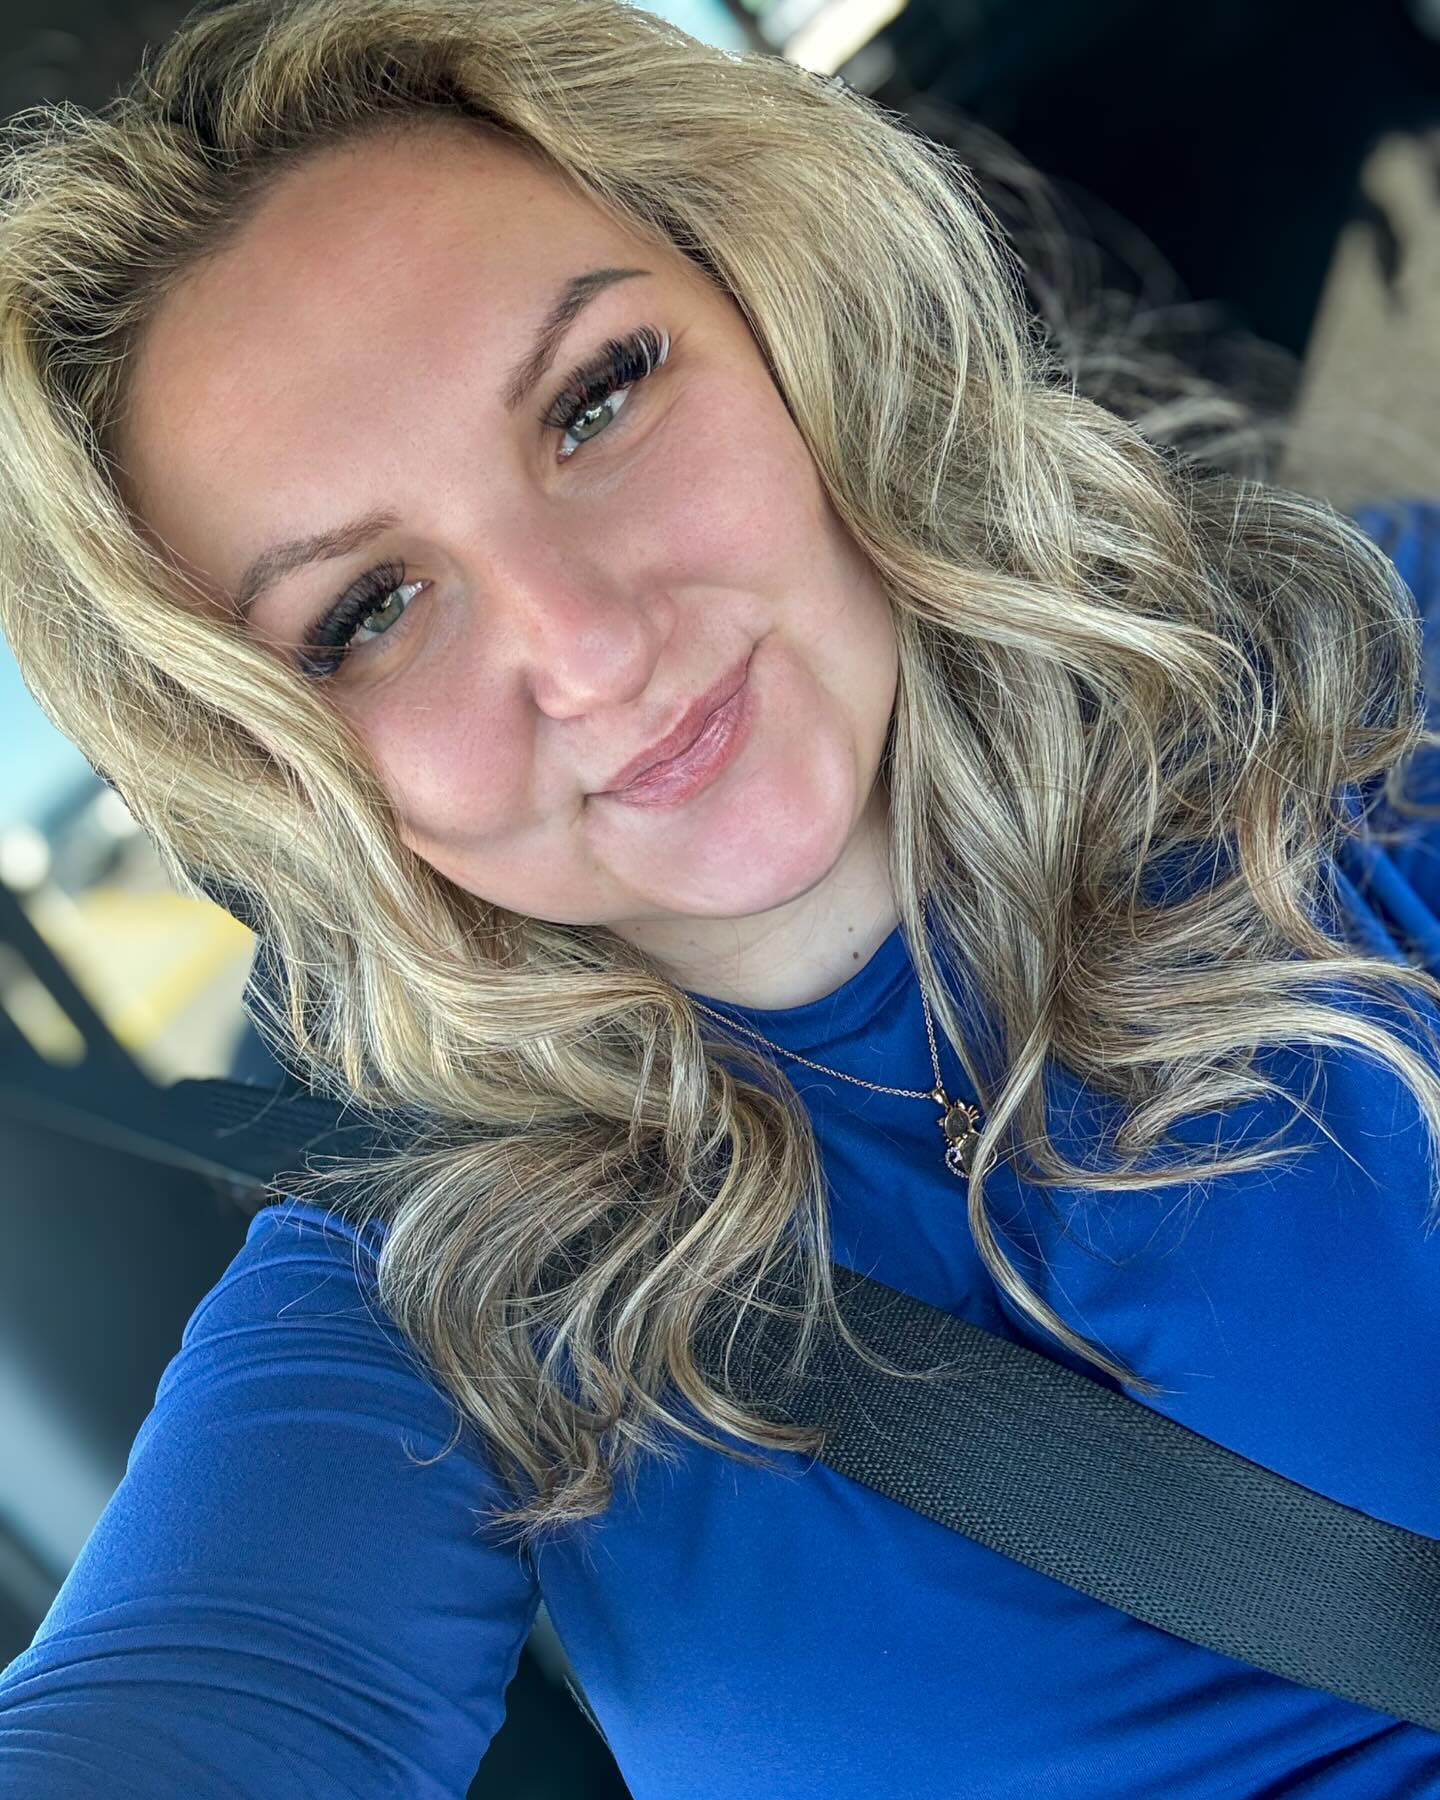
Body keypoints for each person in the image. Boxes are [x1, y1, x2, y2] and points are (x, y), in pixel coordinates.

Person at [0, 0, 1438, 1792]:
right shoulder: (428, 1298)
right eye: (365, 613)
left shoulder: (1367, 689)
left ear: (779, 313)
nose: (591, 647)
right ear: (277, 759)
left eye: (597, 400)